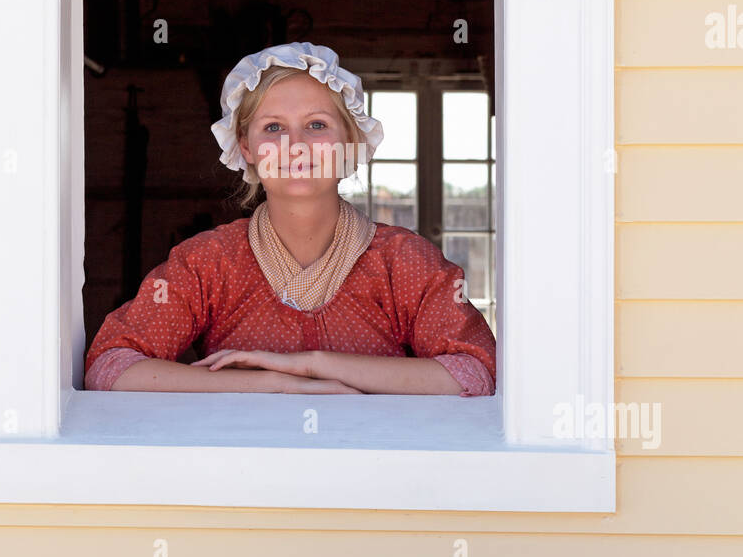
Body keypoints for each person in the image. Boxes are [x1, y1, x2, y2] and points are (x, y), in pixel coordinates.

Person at [84, 42, 496, 396]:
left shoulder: (405, 263)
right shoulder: (208, 262)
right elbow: (111, 368)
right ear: (245, 146)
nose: (295, 147)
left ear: (350, 141)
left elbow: (474, 374)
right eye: (273, 127)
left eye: (316, 125)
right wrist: (272, 384)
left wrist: (313, 365)